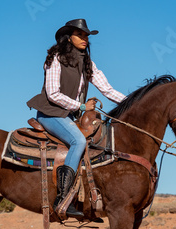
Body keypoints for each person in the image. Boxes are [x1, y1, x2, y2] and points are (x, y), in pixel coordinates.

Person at [27, 18, 126, 218]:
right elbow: (53, 93)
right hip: (50, 113)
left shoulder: (87, 63)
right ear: (68, 37)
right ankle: (62, 198)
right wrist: (80, 106)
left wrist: (132, 102)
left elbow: (107, 89)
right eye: (80, 35)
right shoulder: (56, 58)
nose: (84, 39)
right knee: (78, 140)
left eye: (86, 36)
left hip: (68, 116)